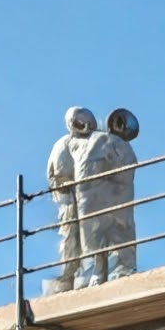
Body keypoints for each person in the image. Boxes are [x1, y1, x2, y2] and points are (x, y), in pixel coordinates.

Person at [79, 108, 140, 282]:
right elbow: (125, 174)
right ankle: (118, 277)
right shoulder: (114, 144)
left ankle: (94, 279)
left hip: (94, 202)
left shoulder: (93, 142)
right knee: (119, 242)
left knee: (94, 246)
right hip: (115, 201)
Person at [45, 107, 99, 292]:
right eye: (80, 123)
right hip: (69, 199)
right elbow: (55, 175)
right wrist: (69, 188)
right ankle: (69, 273)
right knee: (70, 235)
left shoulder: (94, 143)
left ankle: (90, 271)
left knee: (92, 233)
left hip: (89, 197)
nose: (85, 127)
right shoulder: (63, 144)